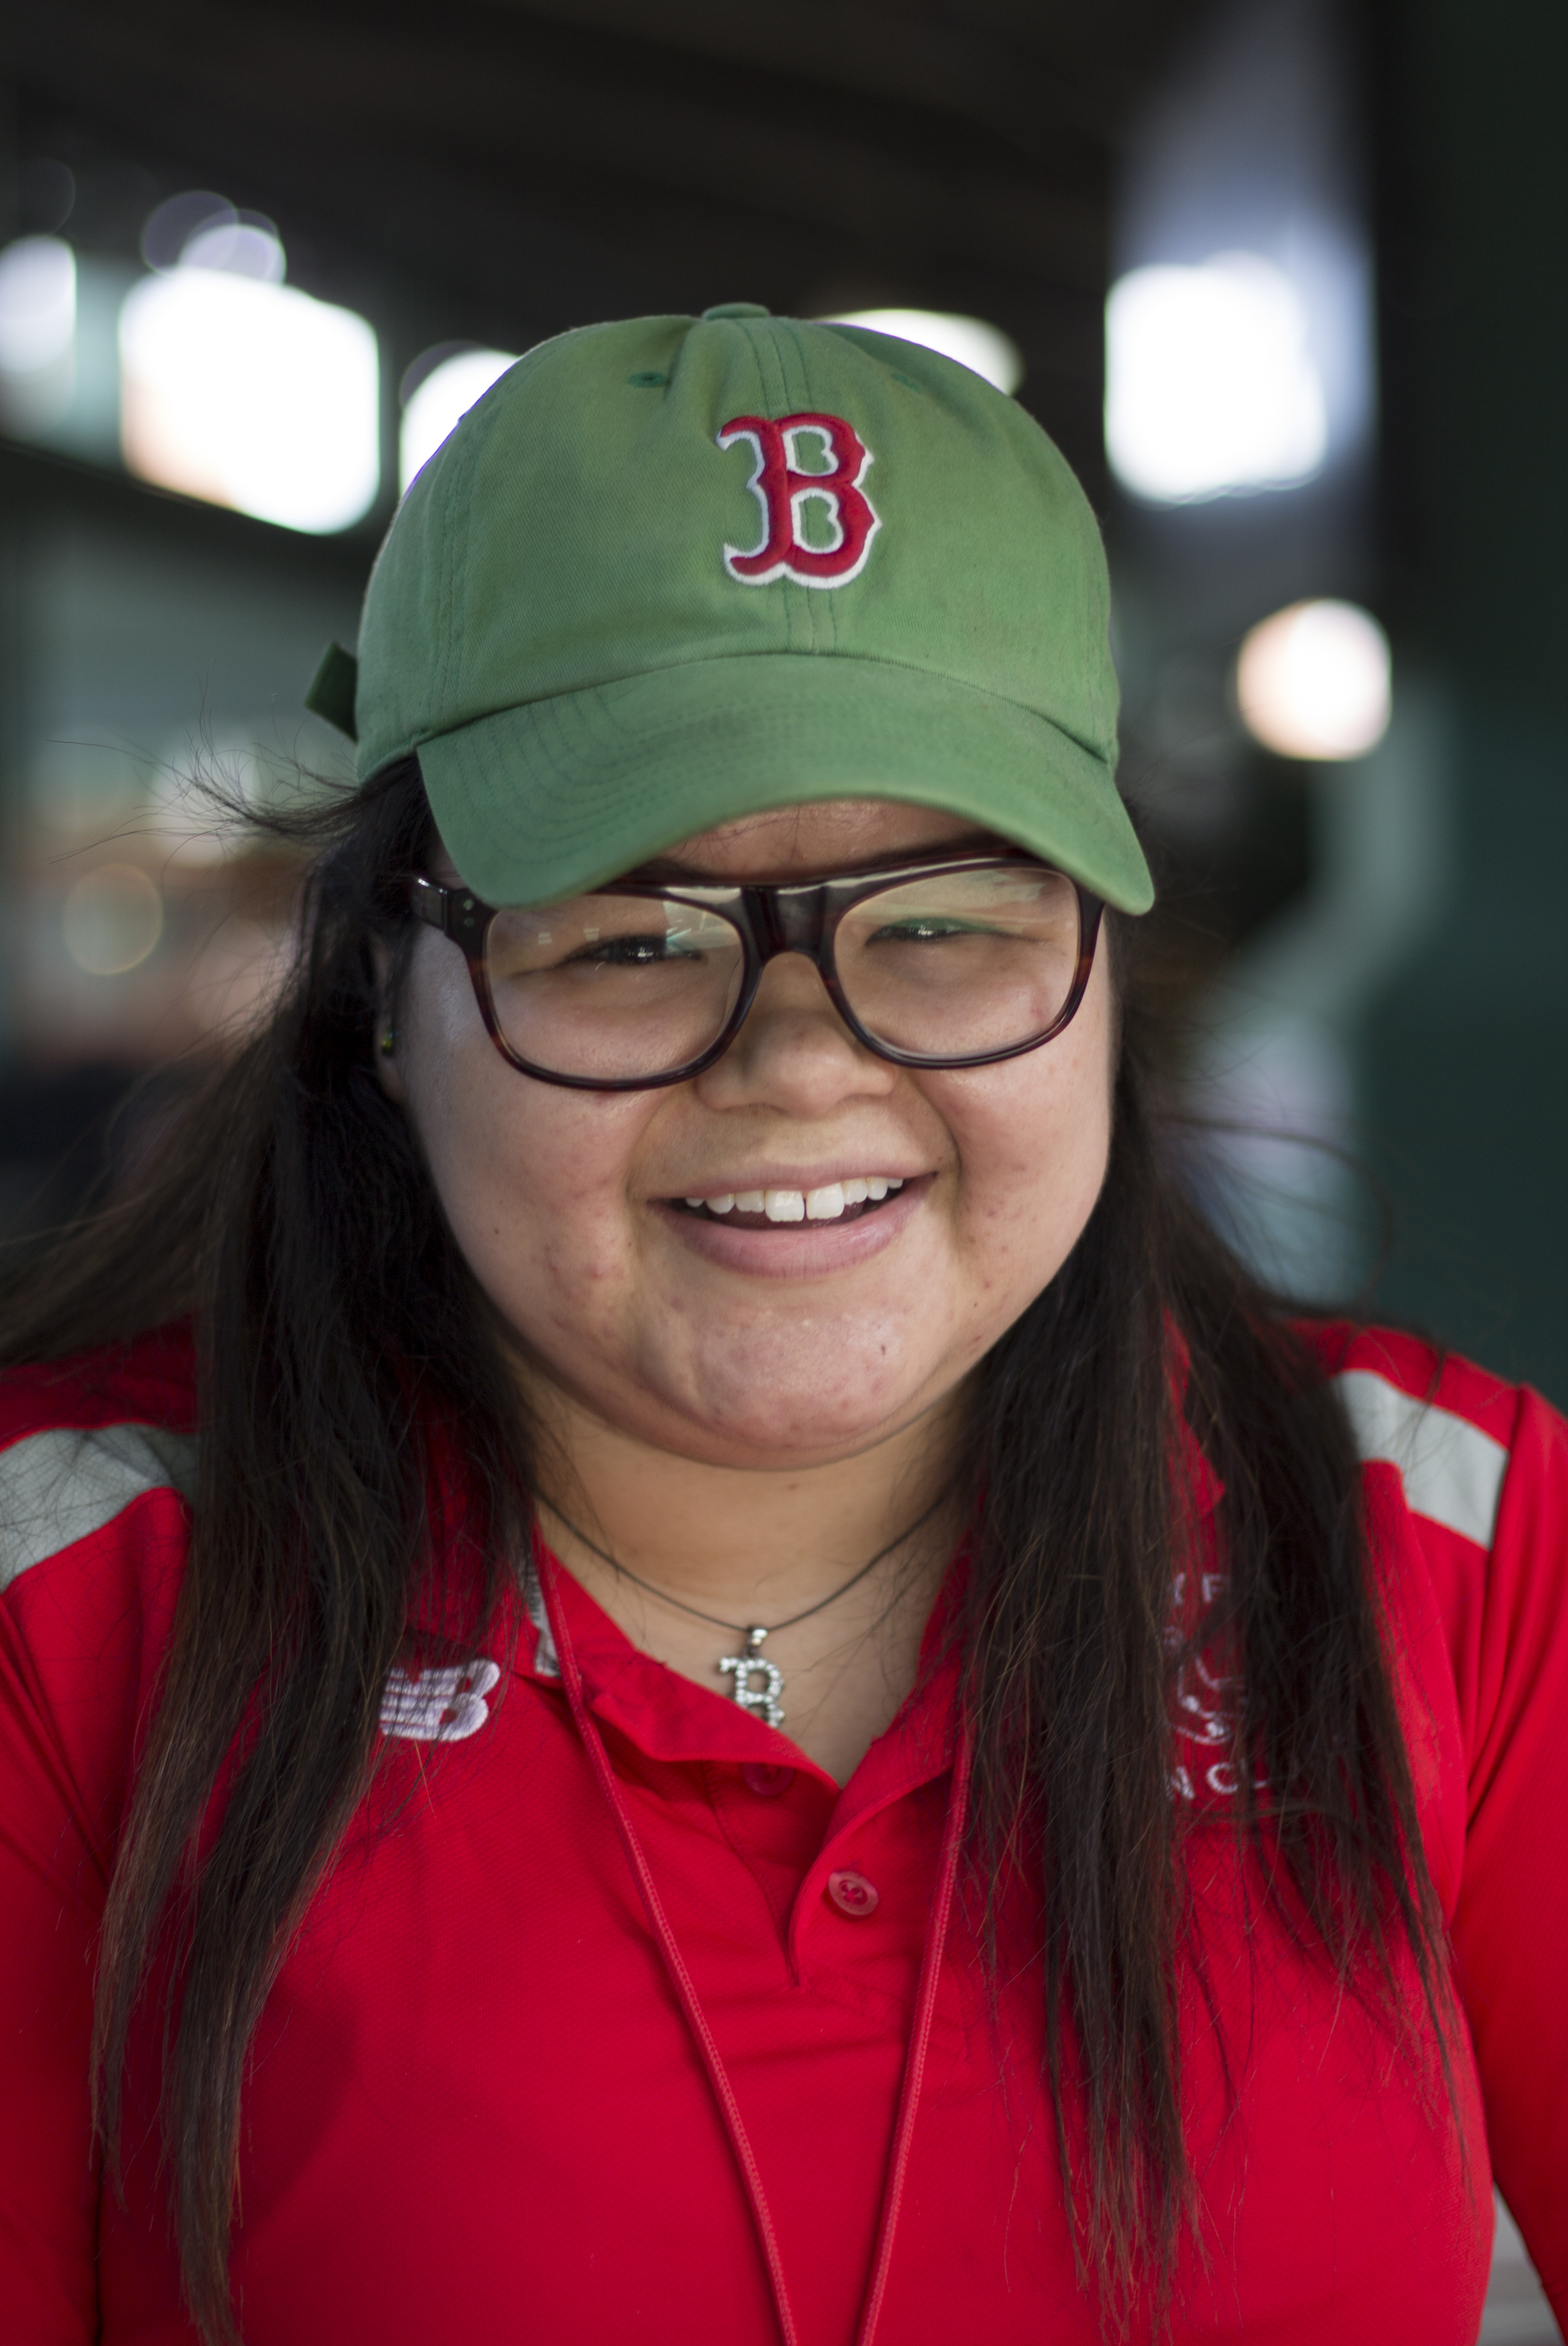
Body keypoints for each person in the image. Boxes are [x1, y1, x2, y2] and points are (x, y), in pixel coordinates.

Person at [0, 303, 1563, 2346]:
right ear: (388, 997)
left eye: (942, 923)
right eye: (635, 939)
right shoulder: (67, 1605)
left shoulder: (1444, 1549)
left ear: (1102, 969)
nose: (807, 1066)